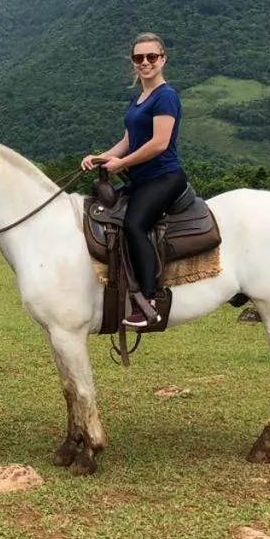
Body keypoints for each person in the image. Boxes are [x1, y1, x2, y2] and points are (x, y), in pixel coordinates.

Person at [80, 32, 187, 329]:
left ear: (163, 59)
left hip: (164, 176)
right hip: (141, 179)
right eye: (139, 58)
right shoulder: (140, 97)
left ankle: (149, 301)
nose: (145, 62)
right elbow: (129, 140)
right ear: (133, 62)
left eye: (152, 57)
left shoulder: (166, 95)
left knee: (134, 224)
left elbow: (159, 143)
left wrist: (121, 165)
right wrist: (102, 157)